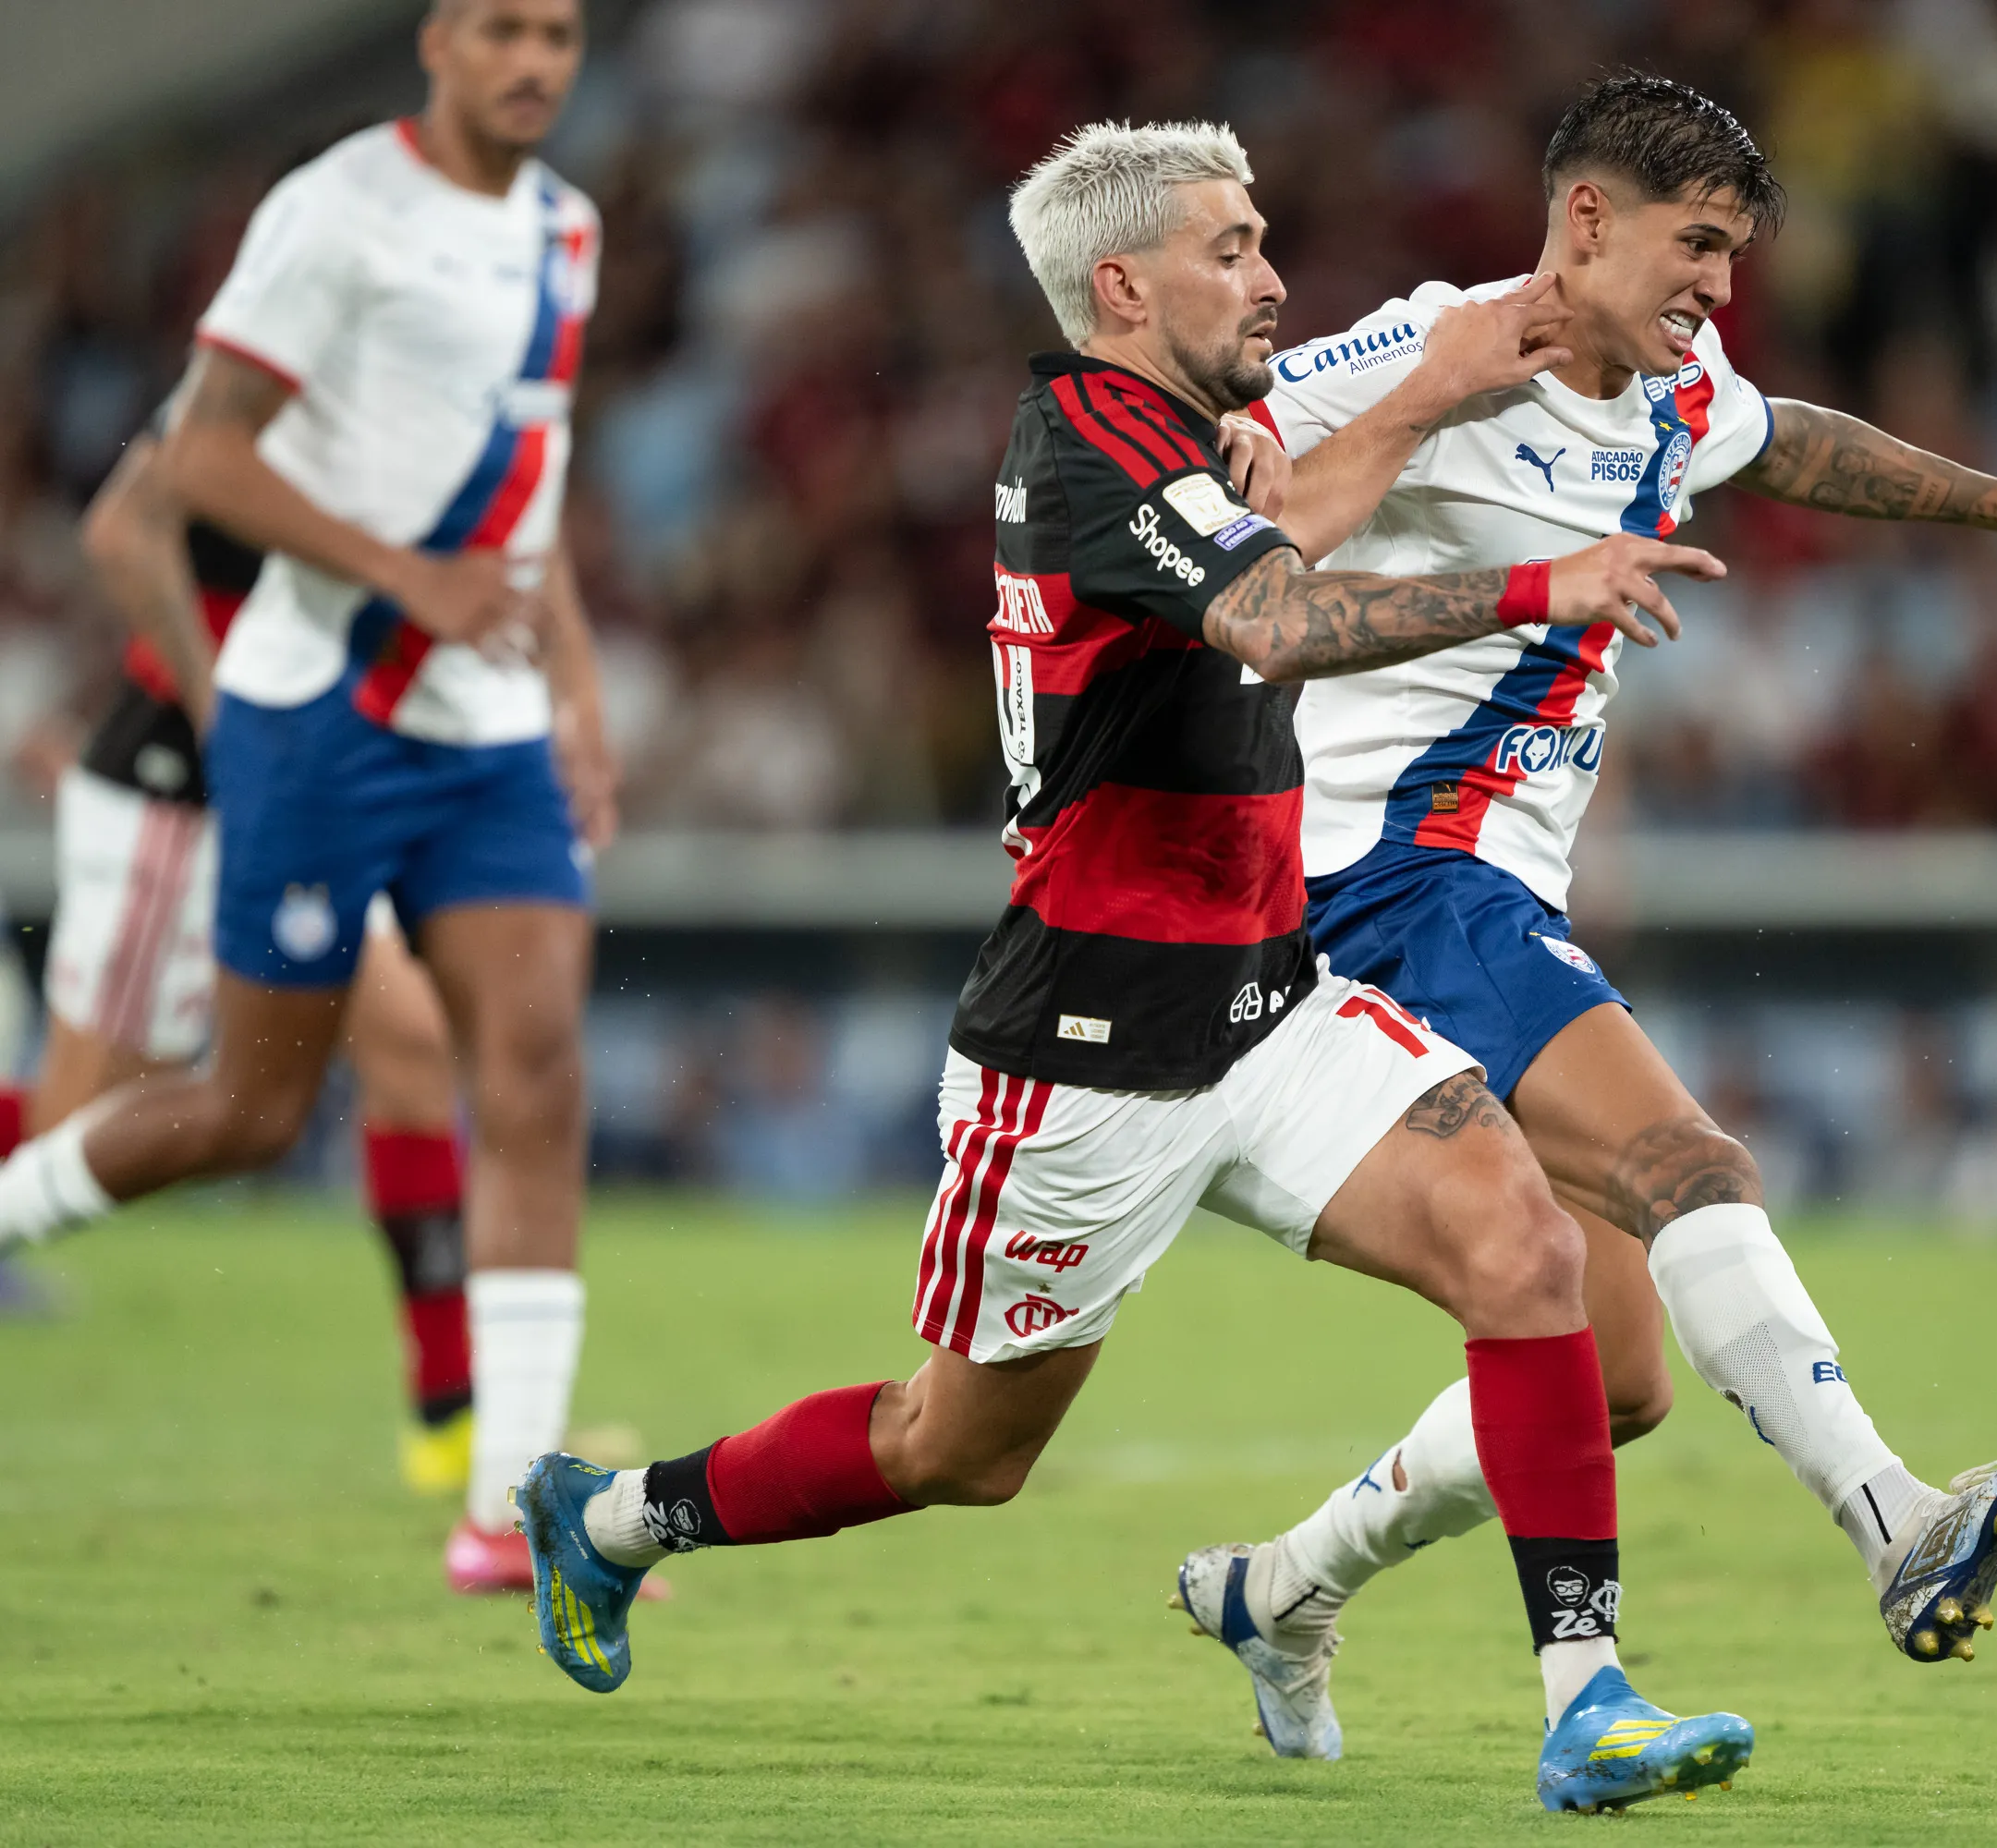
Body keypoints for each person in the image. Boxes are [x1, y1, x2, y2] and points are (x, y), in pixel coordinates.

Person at [516, 119, 1746, 1816]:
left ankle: (1587, 1697)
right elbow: (1279, 621)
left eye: (1261, 237)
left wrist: (1417, 400)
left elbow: (1292, 523)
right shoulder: (1080, 448)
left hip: (1271, 997)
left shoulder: (1195, 429)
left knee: (1525, 1249)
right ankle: (606, 1519)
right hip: (1088, 1047)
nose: (1272, 273)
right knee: (956, 1450)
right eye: (1231, 248)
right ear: (1123, 285)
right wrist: (1545, 574)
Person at [1180, 75, 1997, 1753]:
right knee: (1692, 1167)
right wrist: (1406, 408)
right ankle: (1896, 1521)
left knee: (1620, 1372)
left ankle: (1281, 1589)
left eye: (1732, 251)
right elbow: (1253, 531)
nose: (1719, 282)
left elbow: (1784, 437)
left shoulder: (1672, 385)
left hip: (1483, 887)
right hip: (1377, 880)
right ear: (1585, 223)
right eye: (1695, 242)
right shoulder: (1429, 348)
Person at [0, 0, 620, 1596]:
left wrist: (577, 693)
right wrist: (404, 576)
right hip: (315, 716)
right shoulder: (337, 212)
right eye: (502, 29)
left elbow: (525, 488)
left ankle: (509, 1511)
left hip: (478, 739)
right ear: (437, 41)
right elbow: (194, 466)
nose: (533, 61)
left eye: (557, 32)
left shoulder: (568, 230)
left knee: (535, 1067)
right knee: (247, 1108)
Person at [28, 418, 481, 1491]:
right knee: (74, 1121)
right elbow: (120, 533)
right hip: (178, 776)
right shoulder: (259, 368)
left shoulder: (408, 384)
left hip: (307, 780)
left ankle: (451, 1417)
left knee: (412, 1045)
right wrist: (223, 712)